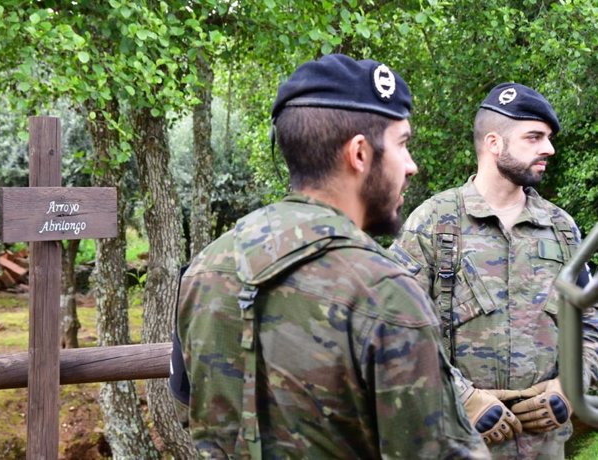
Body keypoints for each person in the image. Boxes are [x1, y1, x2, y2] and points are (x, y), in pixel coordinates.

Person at [170, 54, 489, 458]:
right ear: (359, 154)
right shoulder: (385, 294)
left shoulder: (204, 268)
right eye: (403, 144)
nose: (412, 166)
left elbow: (190, 406)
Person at [390, 82, 598, 459]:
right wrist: (463, 399)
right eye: (534, 137)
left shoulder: (563, 229)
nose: (548, 148)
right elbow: (397, 331)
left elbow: (589, 325)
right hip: (460, 444)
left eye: (548, 138)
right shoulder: (434, 223)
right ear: (493, 143)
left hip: (545, 448)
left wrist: (571, 387)